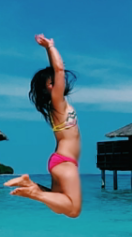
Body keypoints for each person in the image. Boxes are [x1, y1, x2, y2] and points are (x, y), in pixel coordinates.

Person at [5, 34, 82, 217]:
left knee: (61, 206)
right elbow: (59, 69)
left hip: (60, 161)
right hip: (65, 162)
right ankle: (35, 192)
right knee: (73, 210)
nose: (59, 82)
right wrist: (50, 47)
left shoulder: (58, 105)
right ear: (49, 88)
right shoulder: (57, 102)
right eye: (53, 82)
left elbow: (58, 71)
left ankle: (31, 186)